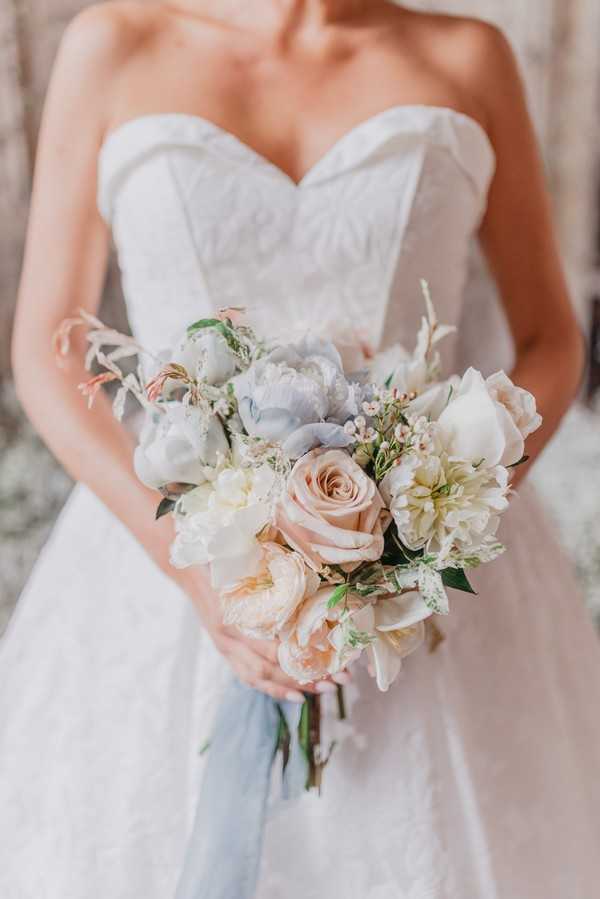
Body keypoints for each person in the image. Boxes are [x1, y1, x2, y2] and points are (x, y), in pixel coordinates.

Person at [2, 1, 599, 896]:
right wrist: (197, 570)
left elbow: (553, 336)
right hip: (162, 551)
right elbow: (47, 351)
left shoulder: (470, 57)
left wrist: (431, 512)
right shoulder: (113, 45)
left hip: (427, 590)